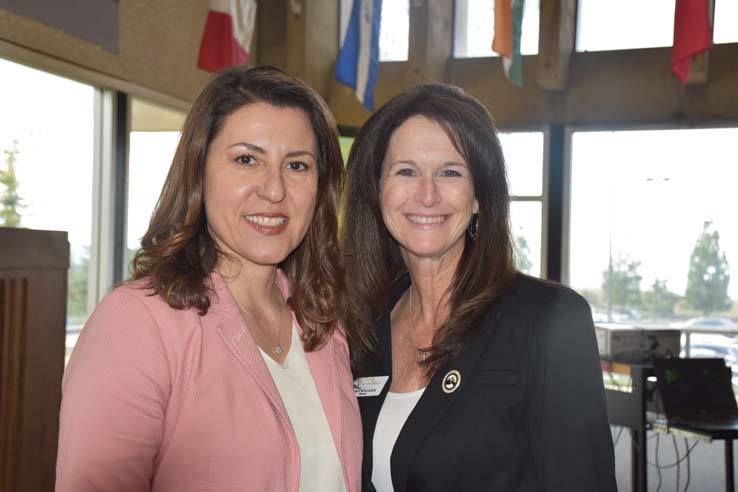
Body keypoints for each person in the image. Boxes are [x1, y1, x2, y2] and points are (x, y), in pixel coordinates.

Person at [56, 65, 361, 492]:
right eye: (246, 159)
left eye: (297, 165)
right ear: (199, 173)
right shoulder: (137, 324)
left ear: (320, 187)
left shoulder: (323, 325)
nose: (273, 189)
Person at [341, 83, 617, 492]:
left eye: (450, 172)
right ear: (377, 190)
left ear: (478, 197)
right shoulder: (361, 329)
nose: (428, 194)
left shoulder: (549, 320)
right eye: (406, 171)